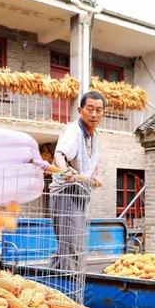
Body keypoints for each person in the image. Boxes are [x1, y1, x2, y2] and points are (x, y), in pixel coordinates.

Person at [49, 91, 105, 270]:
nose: (94, 114)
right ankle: (69, 282)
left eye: (98, 110)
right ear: (80, 110)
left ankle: (53, 281)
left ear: (103, 113)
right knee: (70, 246)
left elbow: (93, 164)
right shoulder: (74, 131)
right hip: (66, 193)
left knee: (74, 246)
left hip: (81, 194)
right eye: (90, 109)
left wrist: (94, 176)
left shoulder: (95, 136)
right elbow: (59, 155)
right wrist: (65, 170)